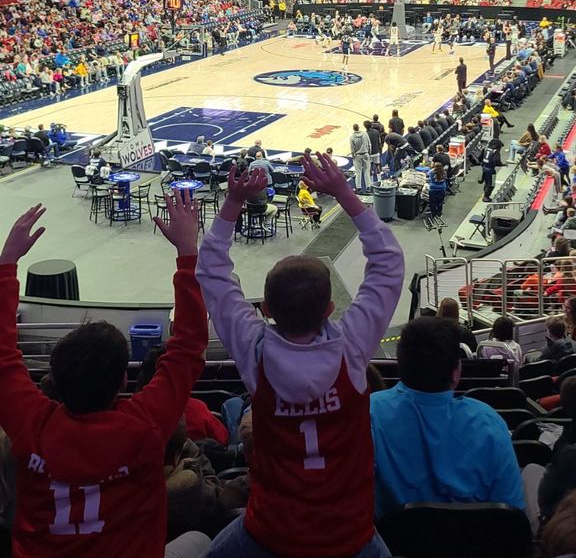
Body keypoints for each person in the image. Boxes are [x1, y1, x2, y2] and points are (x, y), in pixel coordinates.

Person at [196, 153, 404, 558]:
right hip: (350, 536)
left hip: (270, 533)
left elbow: (211, 274)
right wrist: (344, 192)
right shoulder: (352, 348)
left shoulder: (255, 353)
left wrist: (233, 203)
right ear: (330, 310)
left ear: (266, 310)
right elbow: (389, 264)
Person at [0, 192, 209, 558]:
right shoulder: (143, 427)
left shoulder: (31, 424)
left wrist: (6, 264)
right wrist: (187, 253)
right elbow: (189, 348)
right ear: (123, 383)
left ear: (55, 382)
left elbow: (2, 358)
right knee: (200, 541)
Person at [370, 318, 524, 518]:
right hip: (477, 545)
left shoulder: (370, 412)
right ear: (456, 372)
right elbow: (511, 512)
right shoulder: (488, 421)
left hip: (393, 545)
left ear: (401, 364)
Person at [350, 123, 372, 194]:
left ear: (353, 129)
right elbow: (369, 144)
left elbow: (352, 149)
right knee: (366, 171)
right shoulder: (365, 134)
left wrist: (353, 156)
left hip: (358, 155)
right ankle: (368, 187)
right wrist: (369, 152)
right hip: (365, 154)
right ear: (359, 127)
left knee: (358, 172)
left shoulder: (352, 137)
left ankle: (358, 187)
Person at [478, 138, 500, 202]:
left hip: (484, 168)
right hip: (491, 170)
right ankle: (486, 197)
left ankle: (485, 193)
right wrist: (503, 164)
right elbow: (496, 161)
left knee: (486, 182)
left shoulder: (485, 149)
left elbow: (479, 158)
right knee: (491, 184)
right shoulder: (495, 152)